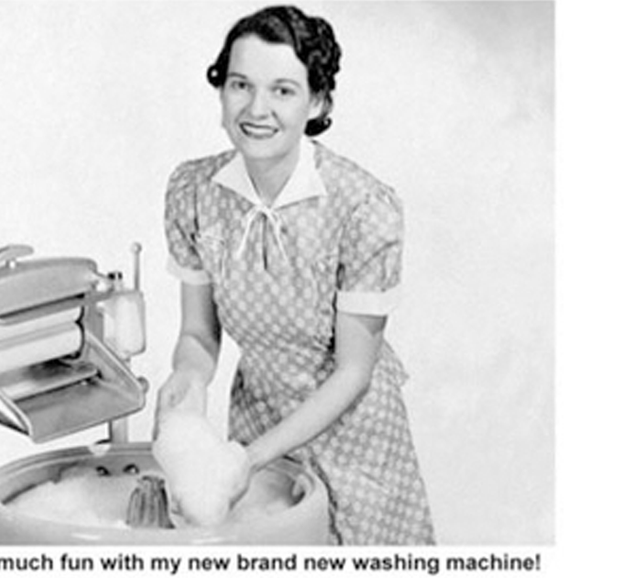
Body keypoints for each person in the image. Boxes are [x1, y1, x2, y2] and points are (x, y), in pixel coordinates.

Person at [156, 5, 435, 545]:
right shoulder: (193, 193)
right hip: (256, 421)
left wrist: (248, 459)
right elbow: (197, 334)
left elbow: (354, 372)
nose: (256, 109)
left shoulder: (363, 208)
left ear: (318, 101)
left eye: (282, 90)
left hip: (356, 440)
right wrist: (187, 381)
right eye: (240, 85)